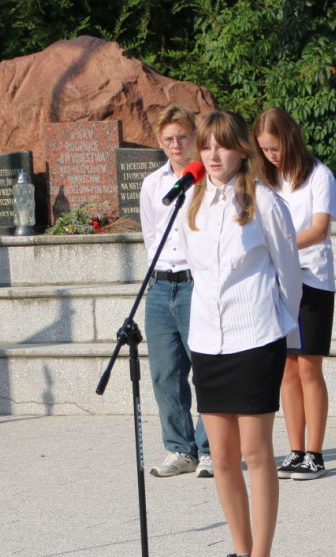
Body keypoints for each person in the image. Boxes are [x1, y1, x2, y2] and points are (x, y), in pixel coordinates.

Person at [176, 110, 302, 557]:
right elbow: (193, 269)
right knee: (223, 457)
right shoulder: (191, 203)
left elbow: (288, 274)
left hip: (255, 336)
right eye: (205, 146)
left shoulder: (265, 202)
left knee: (255, 452)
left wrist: (280, 327)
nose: (212, 155)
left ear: (241, 151)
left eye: (223, 146)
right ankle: (240, 548)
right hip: (208, 339)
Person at [252, 107, 336, 481]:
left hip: (313, 280)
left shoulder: (319, 175)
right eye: (265, 150)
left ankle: (315, 453)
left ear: (290, 138)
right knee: (285, 368)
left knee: (309, 367)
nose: (272, 156)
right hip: (278, 282)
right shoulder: (264, 180)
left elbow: (319, 229)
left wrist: (279, 247)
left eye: (276, 148)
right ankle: (296, 449)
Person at [139, 105, 212, 478]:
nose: (176, 144)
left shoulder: (205, 179)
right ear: (159, 142)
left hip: (194, 283)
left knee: (203, 369)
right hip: (159, 286)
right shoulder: (153, 184)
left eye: (182, 136)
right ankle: (180, 449)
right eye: (168, 139)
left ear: (194, 137)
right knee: (165, 373)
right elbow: (151, 234)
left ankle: (209, 447)